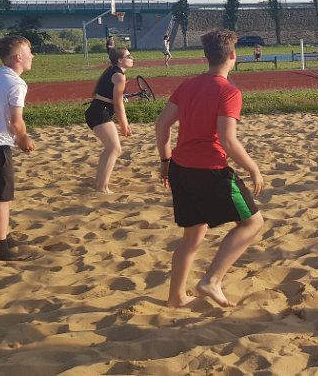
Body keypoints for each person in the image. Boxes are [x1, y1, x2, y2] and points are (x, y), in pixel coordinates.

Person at [155, 29, 265, 308]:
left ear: (206, 55)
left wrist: (165, 161)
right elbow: (228, 140)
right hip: (210, 171)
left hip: (181, 169)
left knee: (192, 237)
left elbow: (162, 125)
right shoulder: (228, 91)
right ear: (233, 55)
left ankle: (176, 297)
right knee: (253, 223)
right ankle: (211, 280)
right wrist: (253, 168)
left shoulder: (188, 84)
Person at [0, 36, 36, 261]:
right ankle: (0, 248)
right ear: (18, 57)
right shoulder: (16, 83)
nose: (32, 56)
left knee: (1, 195)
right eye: (29, 52)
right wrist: (23, 138)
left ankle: (5, 237)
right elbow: (16, 121)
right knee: (1, 198)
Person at [85, 47, 134, 193]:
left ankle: (99, 183)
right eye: (128, 56)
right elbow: (118, 104)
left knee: (110, 148)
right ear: (119, 60)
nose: (132, 58)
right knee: (114, 148)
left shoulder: (113, 71)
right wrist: (124, 125)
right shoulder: (119, 76)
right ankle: (102, 187)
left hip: (97, 111)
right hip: (100, 112)